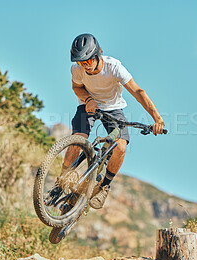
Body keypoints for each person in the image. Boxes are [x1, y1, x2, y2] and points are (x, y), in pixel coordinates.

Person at [64, 33, 165, 209]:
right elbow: (77, 87)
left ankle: (103, 186)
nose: (85, 66)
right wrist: (88, 100)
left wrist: (157, 118)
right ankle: (64, 176)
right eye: (81, 62)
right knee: (78, 138)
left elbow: (138, 92)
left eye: (87, 61)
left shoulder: (114, 67)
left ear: (97, 55)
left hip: (113, 108)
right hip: (88, 104)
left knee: (120, 146)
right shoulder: (77, 69)